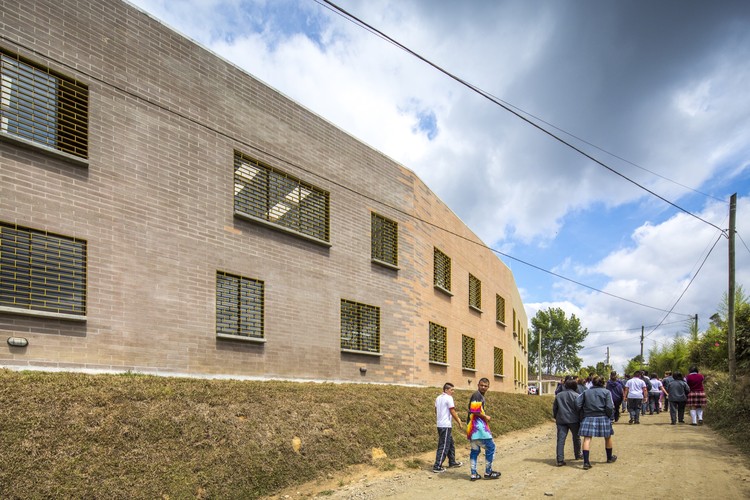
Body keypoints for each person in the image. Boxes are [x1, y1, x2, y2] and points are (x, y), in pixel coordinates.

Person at [576, 375, 616, 469]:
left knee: (587, 438)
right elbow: (610, 406)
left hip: (589, 417)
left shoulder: (586, 392)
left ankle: (586, 462)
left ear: (593, 382)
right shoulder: (607, 392)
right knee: (608, 437)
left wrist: (582, 413)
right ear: (603, 383)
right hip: (603, 417)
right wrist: (609, 416)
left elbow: (577, 403)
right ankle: (609, 458)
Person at [467, 378, 501, 480]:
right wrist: (486, 417)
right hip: (479, 428)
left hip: (472, 428)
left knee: (475, 450)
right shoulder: (477, 395)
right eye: (481, 385)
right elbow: (474, 410)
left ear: (488, 387)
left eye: (485, 386)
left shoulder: (479, 395)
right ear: (478, 385)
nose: (483, 387)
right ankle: (488, 472)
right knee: (491, 447)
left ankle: (474, 473)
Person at [433, 382, 464, 473]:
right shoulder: (449, 398)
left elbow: (436, 410)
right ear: (446, 390)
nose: (453, 391)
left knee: (450, 443)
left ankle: (452, 461)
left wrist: (440, 418)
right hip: (445, 425)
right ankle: (437, 466)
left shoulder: (438, 398)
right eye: (451, 390)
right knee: (444, 446)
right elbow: (452, 411)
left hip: (440, 424)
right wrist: (458, 421)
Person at [553, 378, 582, 466]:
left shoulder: (559, 395)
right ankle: (577, 455)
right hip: (574, 420)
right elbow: (579, 408)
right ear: (575, 386)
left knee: (561, 439)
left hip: (561, 419)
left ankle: (560, 459)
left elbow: (555, 408)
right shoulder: (577, 396)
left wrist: (556, 417)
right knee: (576, 438)